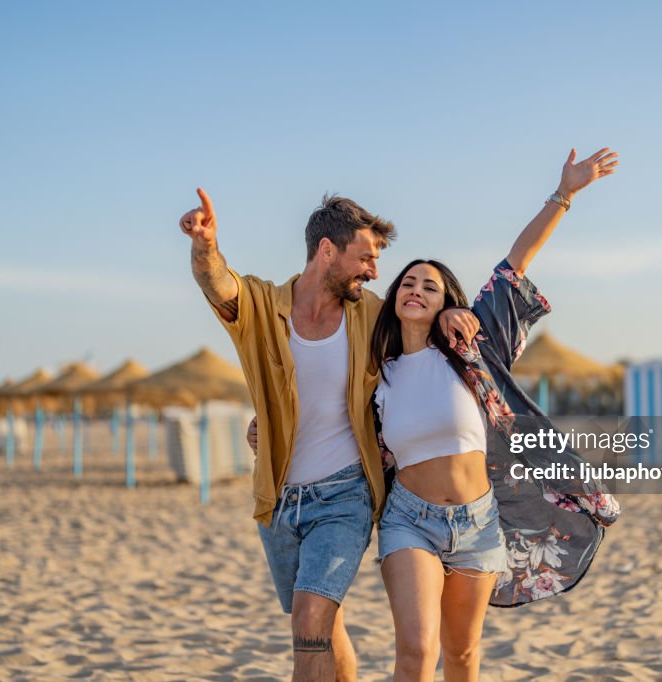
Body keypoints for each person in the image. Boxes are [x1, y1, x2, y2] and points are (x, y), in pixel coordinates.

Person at [178, 190, 478, 682]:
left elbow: (421, 319)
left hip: (346, 494)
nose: (374, 271)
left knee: (310, 620)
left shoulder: (372, 314)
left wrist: (446, 315)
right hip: (277, 498)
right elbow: (217, 284)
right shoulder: (261, 306)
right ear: (326, 251)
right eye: (365, 258)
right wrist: (205, 245)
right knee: (323, 625)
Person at [369, 147, 622, 681]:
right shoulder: (374, 372)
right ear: (394, 297)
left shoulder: (473, 348)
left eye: (430, 286)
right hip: (408, 520)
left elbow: (516, 263)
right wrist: (267, 428)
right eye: (408, 283)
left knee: (462, 656)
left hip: (479, 523)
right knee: (416, 650)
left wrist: (565, 194)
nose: (416, 290)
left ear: (446, 302)